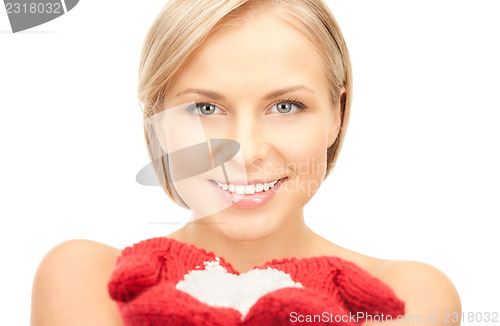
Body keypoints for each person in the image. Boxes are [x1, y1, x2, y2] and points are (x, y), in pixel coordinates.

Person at [31, 0, 461, 325]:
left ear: (338, 115)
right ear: (156, 123)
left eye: (286, 107)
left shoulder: (401, 296)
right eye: (204, 108)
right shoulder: (89, 279)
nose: (247, 150)